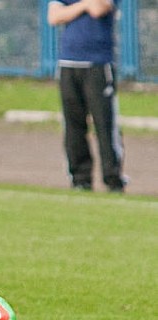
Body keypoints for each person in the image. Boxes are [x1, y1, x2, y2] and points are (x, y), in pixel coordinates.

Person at [47, 0, 126, 191]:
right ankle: (80, 178)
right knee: (73, 124)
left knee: (105, 123)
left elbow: (99, 9)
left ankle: (112, 178)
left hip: (98, 64)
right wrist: (84, 5)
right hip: (69, 63)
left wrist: (73, 8)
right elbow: (54, 17)